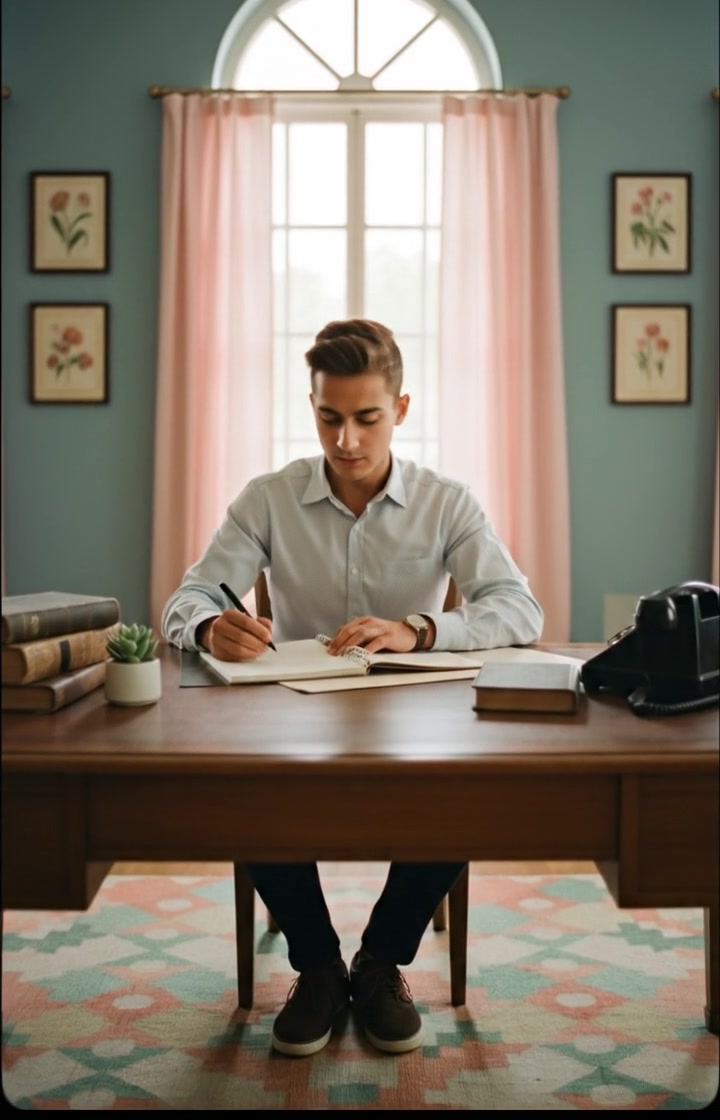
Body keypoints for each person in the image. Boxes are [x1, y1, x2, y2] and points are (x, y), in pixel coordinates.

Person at [162, 318, 543, 1058]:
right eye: (329, 417)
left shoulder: (446, 502)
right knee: (238, 787)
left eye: (367, 418)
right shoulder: (268, 498)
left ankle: (381, 962)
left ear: (400, 410)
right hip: (289, 722)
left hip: (421, 724)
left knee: (476, 790)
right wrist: (209, 628)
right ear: (311, 407)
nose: (346, 440)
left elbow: (519, 609)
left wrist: (423, 630)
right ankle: (318, 968)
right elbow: (189, 597)